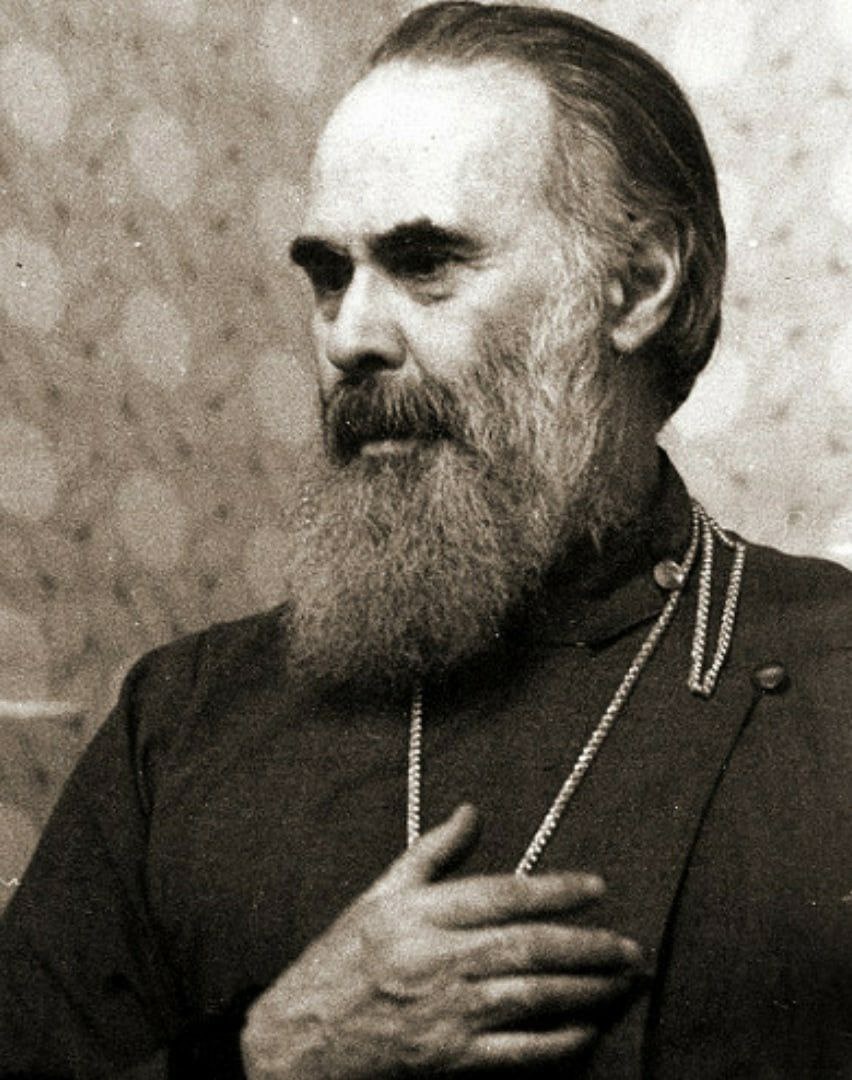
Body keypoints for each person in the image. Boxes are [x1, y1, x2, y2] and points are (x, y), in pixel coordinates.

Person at [1, 3, 849, 1077]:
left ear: (637, 288)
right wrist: (267, 1056)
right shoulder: (178, 721)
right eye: (329, 275)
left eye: (426, 263)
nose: (350, 336)